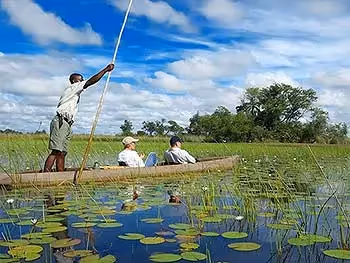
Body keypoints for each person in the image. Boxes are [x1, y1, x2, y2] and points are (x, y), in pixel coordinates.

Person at [43, 64, 115, 172]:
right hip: (60, 121)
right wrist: (105, 70)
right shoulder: (72, 87)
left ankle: (60, 174)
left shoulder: (75, 93)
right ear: (74, 81)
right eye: (80, 80)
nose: (82, 82)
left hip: (67, 123)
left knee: (62, 152)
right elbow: (91, 81)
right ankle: (45, 174)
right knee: (56, 150)